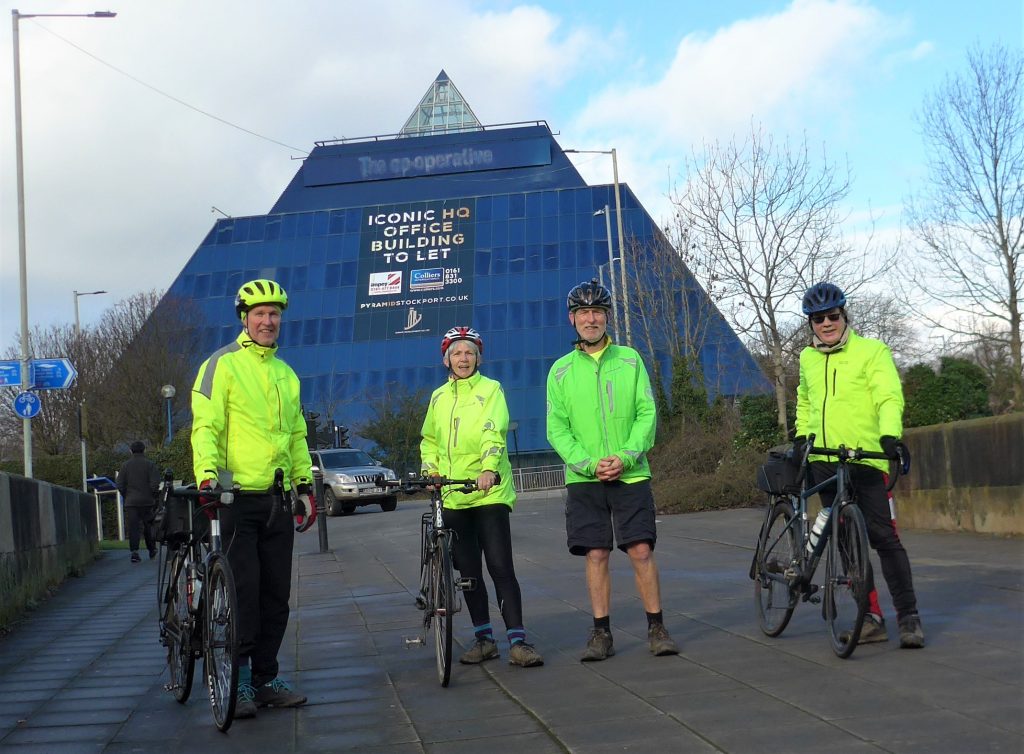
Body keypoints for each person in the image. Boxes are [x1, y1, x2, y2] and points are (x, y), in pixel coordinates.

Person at [191, 278, 317, 719]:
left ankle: (266, 678)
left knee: (276, 595)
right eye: (260, 314)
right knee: (243, 591)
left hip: (277, 498)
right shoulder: (220, 365)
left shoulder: (286, 373)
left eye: (274, 314)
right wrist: (207, 476)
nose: (268, 321)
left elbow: (297, 435)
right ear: (244, 318)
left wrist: (304, 486)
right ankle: (239, 683)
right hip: (234, 497)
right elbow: (205, 426)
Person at [546, 280, 680, 661]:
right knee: (596, 555)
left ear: (607, 317)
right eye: (584, 313)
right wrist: (587, 463)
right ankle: (601, 633)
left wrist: (626, 456)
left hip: (631, 473)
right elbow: (557, 427)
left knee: (640, 550)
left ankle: (656, 627)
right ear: (572, 319)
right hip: (584, 478)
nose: (591, 319)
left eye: (598, 312)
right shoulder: (559, 371)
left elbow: (646, 413)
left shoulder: (630, 359)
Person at [794, 281, 925, 649]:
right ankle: (870, 617)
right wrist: (803, 435)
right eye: (818, 319)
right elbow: (804, 401)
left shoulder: (872, 351)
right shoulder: (807, 358)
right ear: (811, 324)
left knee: (885, 537)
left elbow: (888, 396)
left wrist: (889, 437)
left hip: (866, 459)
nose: (826, 323)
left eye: (832, 316)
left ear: (844, 315)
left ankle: (909, 617)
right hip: (824, 462)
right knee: (847, 542)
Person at [420, 326, 544, 668]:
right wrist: (430, 469)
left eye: (470, 352)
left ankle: (518, 641)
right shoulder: (438, 397)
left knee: (501, 567)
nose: (464, 358)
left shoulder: (491, 390)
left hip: (488, 492)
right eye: (457, 353)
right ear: (447, 359)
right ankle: (484, 639)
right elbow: (429, 440)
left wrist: (489, 468)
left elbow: (494, 430)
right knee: (469, 572)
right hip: (453, 495)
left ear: (478, 358)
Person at [116, 441, 159, 562]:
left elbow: (119, 484)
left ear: (130, 451)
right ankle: (152, 549)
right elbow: (155, 483)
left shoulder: (125, 465)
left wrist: (126, 495)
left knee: (134, 527)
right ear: (144, 450)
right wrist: (152, 494)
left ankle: (134, 552)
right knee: (149, 526)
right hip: (147, 501)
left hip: (131, 501)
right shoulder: (150, 465)